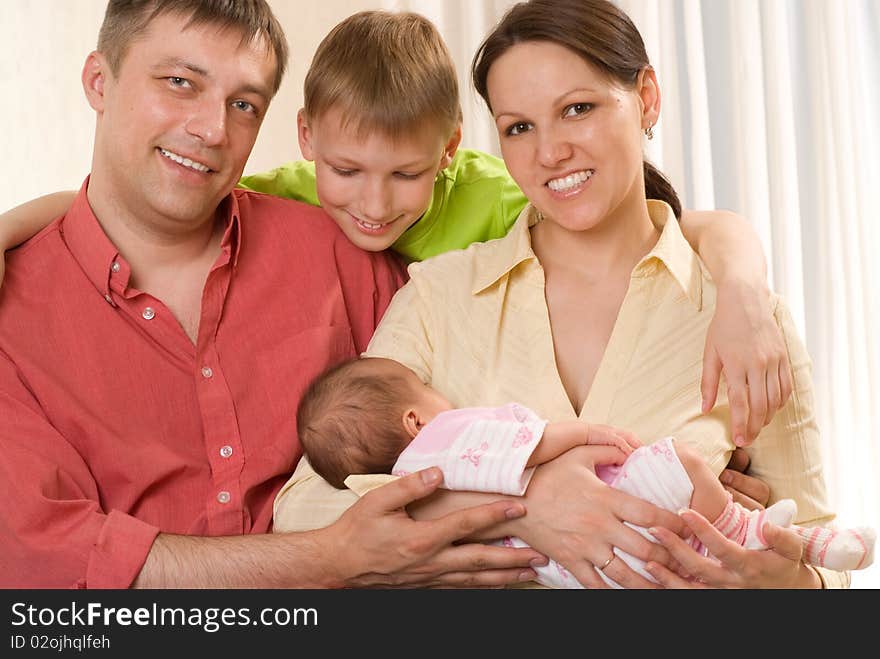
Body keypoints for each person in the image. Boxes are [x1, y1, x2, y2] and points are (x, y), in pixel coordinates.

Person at [1, 9, 795, 454]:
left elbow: (662, 230)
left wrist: (743, 281)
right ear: (307, 142)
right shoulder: (293, 196)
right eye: (347, 171)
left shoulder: (502, 197)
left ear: (450, 149)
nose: (373, 205)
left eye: (407, 175)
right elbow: (136, 194)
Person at [275, 0, 852, 589]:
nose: (549, 153)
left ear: (647, 97)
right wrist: (525, 501)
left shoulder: (744, 319)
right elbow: (304, 512)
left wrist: (776, 585)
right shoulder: (439, 298)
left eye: (578, 109)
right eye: (519, 127)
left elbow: (819, 567)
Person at [0, 0, 559, 589]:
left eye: (243, 104)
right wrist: (330, 557)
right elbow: (45, 563)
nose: (212, 130)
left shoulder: (343, 253)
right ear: (98, 81)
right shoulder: (14, 309)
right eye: (180, 82)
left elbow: (469, 424)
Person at [292, 356, 875, 588]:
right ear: (415, 418)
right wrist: (584, 436)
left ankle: (762, 545)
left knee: (682, 552)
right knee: (685, 464)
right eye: (430, 390)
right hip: (603, 514)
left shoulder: (404, 484)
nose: (445, 397)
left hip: (559, 570)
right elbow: (525, 445)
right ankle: (774, 537)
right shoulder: (443, 437)